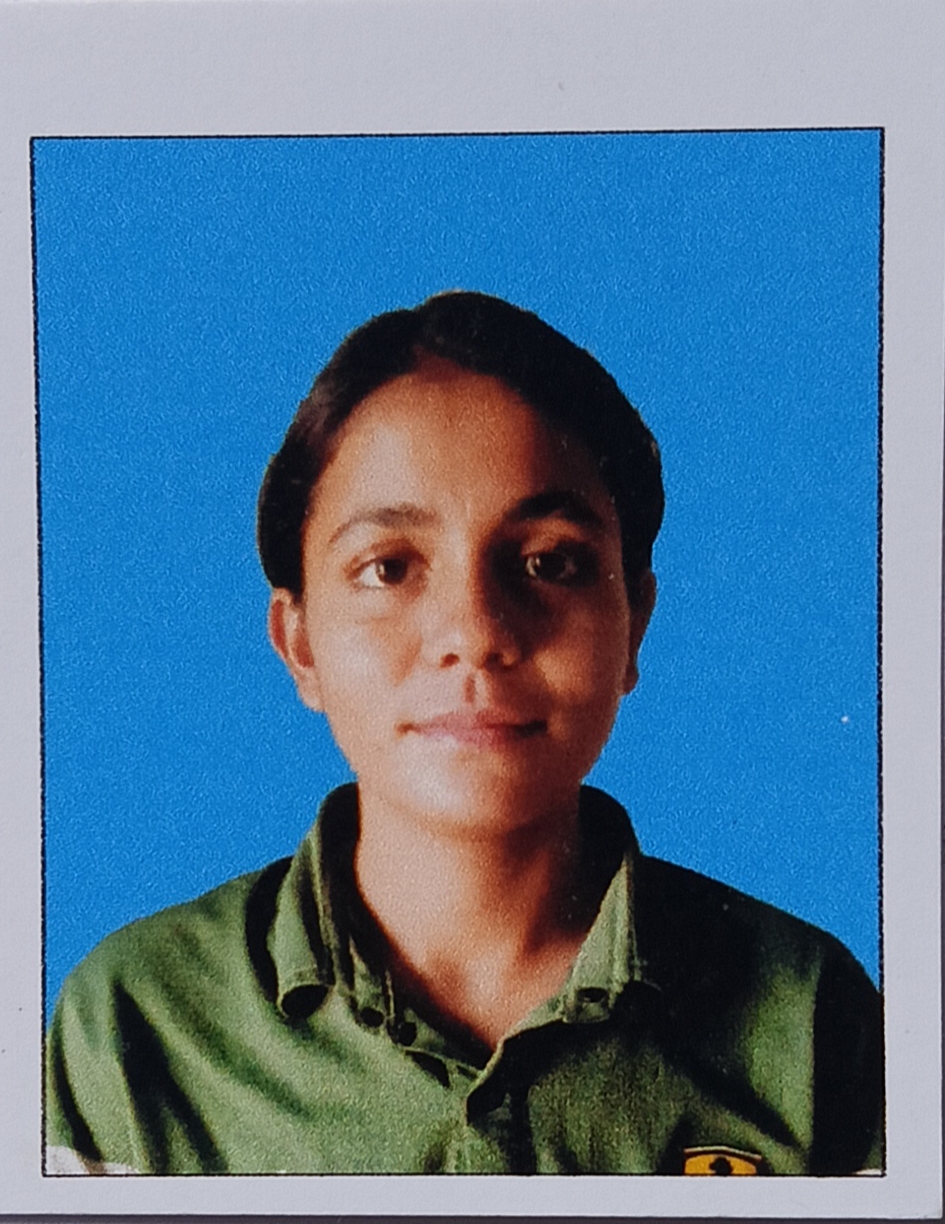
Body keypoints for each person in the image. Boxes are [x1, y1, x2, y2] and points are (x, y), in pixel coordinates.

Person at [45, 291, 883, 1176]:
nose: (474, 632)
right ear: (300, 645)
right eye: (388, 568)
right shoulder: (135, 1024)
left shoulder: (807, 1018)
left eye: (548, 562)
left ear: (633, 623)